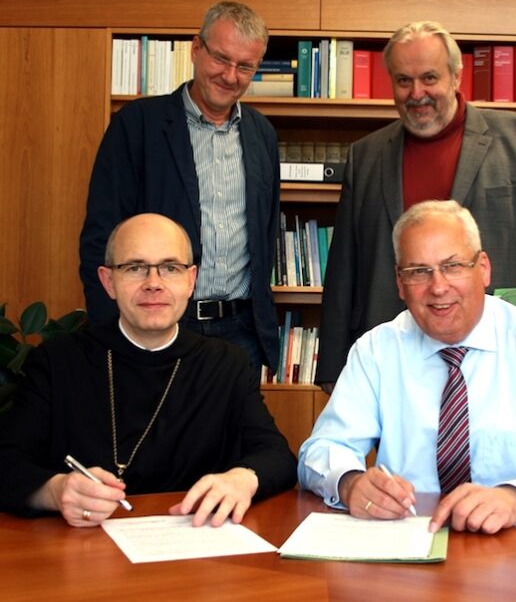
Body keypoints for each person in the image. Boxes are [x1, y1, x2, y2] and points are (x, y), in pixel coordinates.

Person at [298, 200, 516, 534]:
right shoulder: (376, 351)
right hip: (407, 541)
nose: (438, 287)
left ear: (484, 269)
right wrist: (349, 483)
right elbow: (319, 451)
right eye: (419, 271)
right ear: (399, 283)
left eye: (453, 266)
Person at [315, 20, 516, 391]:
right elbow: (344, 268)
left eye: (429, 78)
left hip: (502, 359)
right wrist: (333, 368)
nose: (417, 92)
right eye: (403, 80)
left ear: (456, 77)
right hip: (394, 363)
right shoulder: (366, 156)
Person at [0, 213, 296, 528]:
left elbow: (277, 456)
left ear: (190, 280)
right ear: (108, 281)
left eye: (170, 268)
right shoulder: (57, 362)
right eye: (134, 267)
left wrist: (242, 479)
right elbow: (6, 463)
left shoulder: (226, 364)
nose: (153, 284)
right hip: (82, 552)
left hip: (191, 548)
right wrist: (56, 491)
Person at [79, 1, 280, 375]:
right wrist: (113, 333)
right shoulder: (137, 125)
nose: (231, 76)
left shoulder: (262, 134)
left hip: (240, 333)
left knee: (234, 434)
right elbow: (99, 240)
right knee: (152, 433)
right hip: (155, 324)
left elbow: (265, 233)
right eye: (221, 58)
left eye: (245, 66)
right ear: (196, 49)